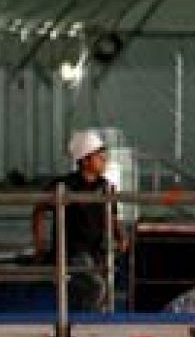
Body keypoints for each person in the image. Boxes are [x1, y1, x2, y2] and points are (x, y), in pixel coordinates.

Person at [31, 129, 127, 313]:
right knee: (96, 288)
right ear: (85, 160)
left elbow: (112, 216)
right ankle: (87, 325)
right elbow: (39, 211)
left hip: (96, 250)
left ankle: (80, 328)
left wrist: (120, 236)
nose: (104, 161)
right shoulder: (65, 185)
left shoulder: (105, 186)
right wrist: (39, 244)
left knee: (88, 294)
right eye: (99, 157)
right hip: (73, 252)